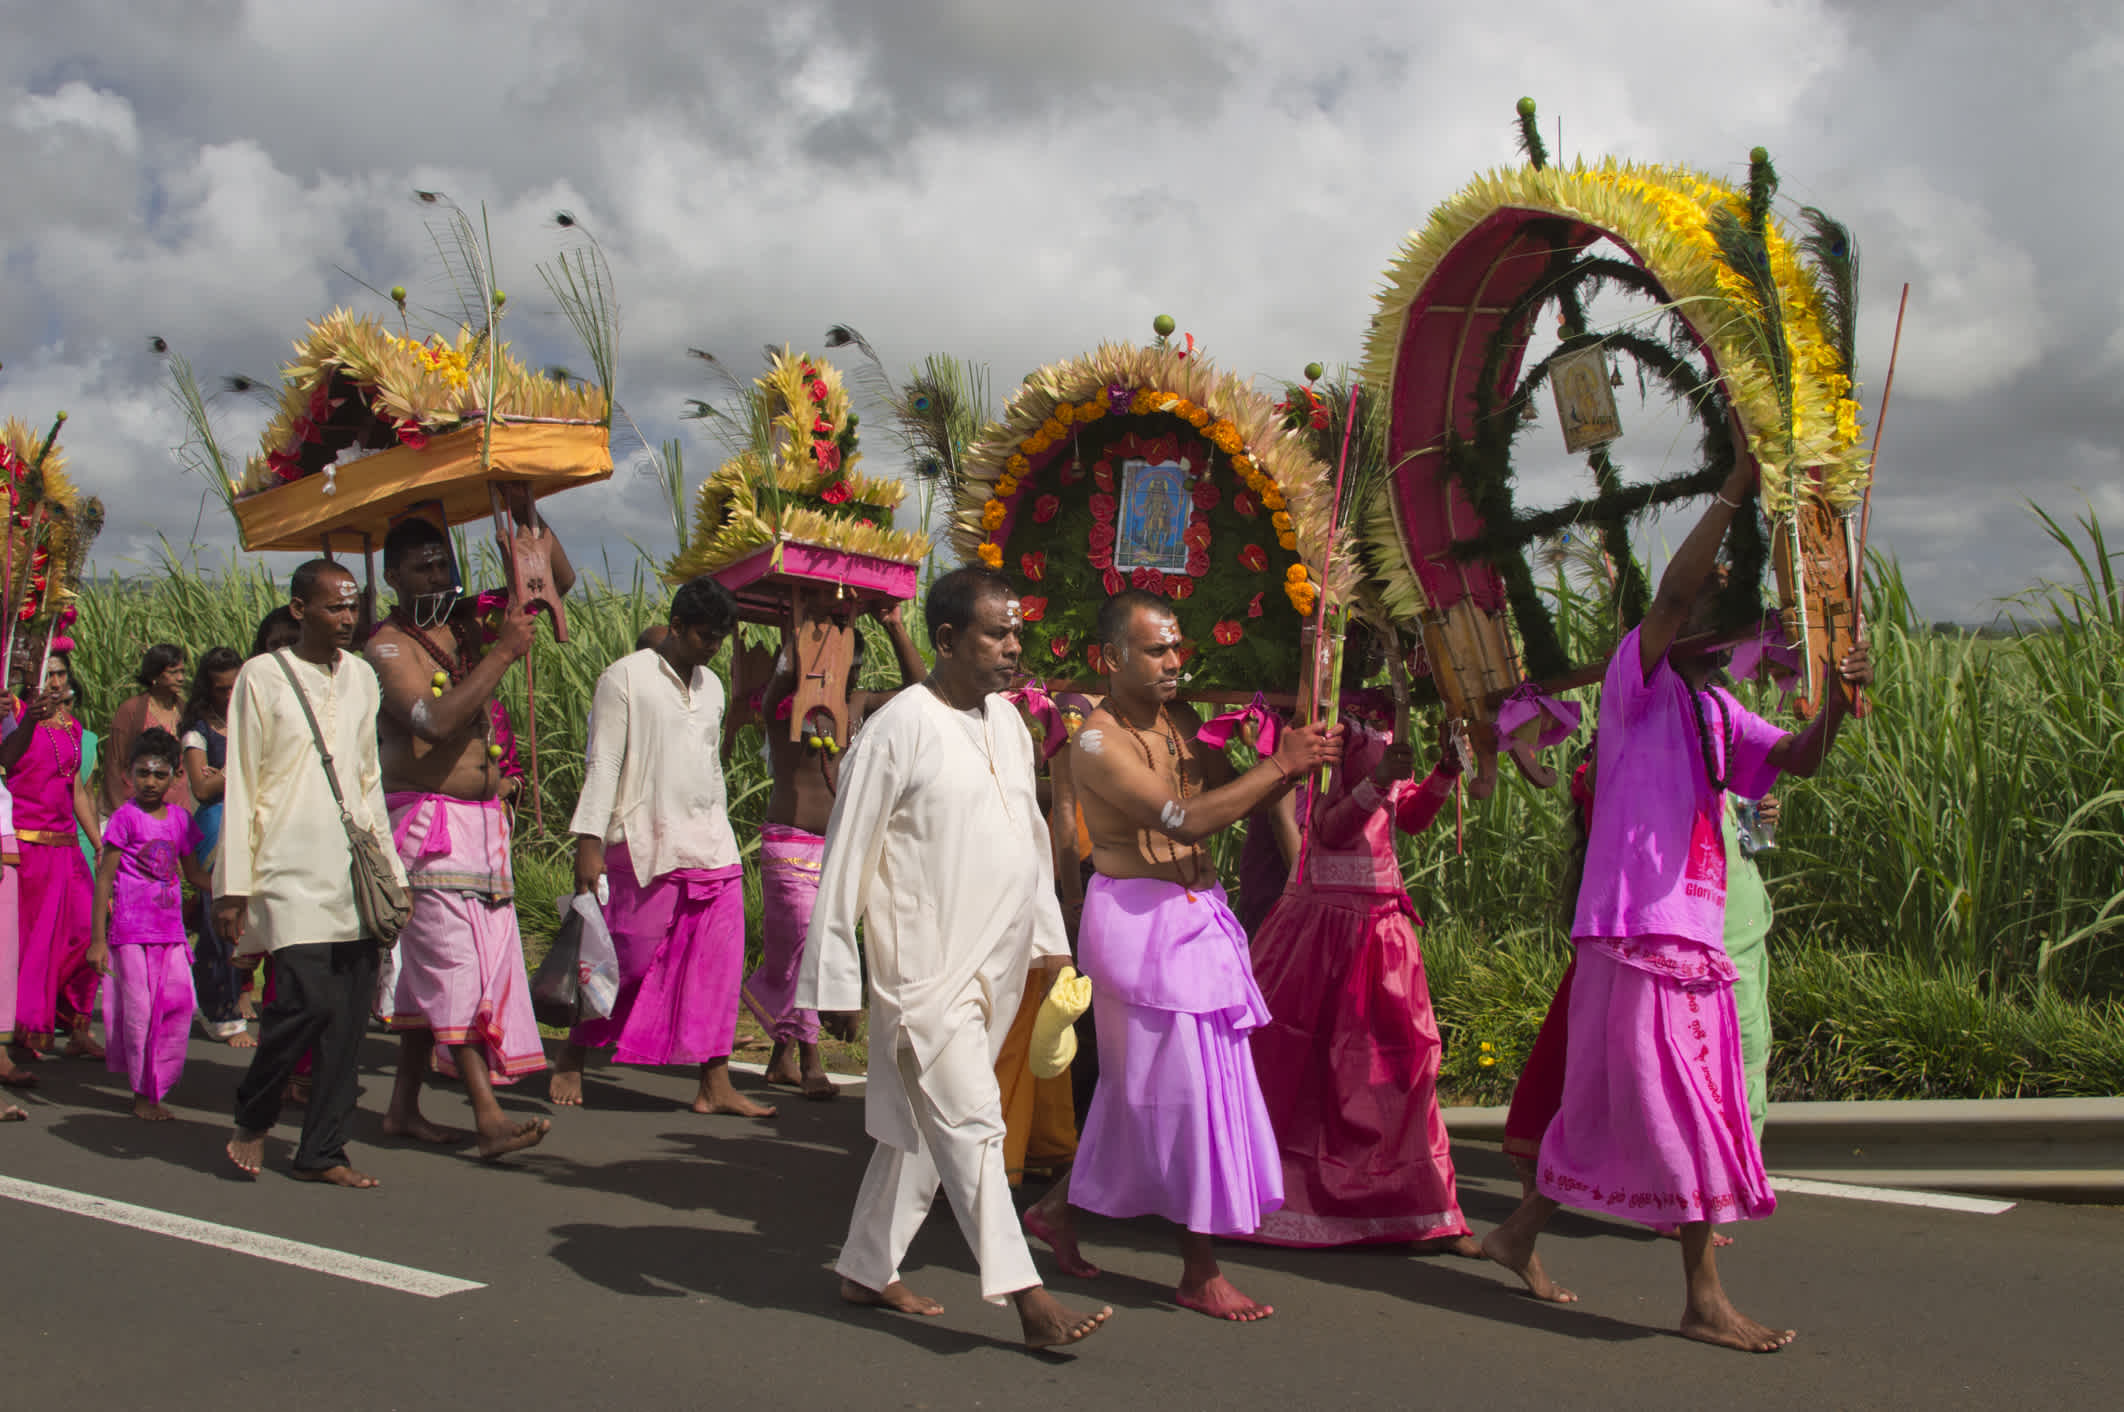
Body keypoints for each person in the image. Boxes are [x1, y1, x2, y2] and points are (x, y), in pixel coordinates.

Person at [1480, 458, 1873, 1353]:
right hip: (1633, 931)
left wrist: (1840, 708)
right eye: (1706, 603)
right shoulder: (1638, 679)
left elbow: (1799, 759)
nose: (1713, 614)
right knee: (1693, 1105)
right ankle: (1702, 1299)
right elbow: (1668, 597)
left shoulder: (1716, 709)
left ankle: (1515, 1234)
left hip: (1687, 935)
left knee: (1604, 1109)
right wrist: (1736, 484)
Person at [798, 566, 1110, 1349]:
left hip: (998, 961)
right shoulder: (897, 728)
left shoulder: (1008, 722)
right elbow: (847, 853)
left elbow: (1030, 843)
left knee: (924, 1125)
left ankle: (866, 1266)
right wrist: (834, 976)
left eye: (1018, 633)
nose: (1014, 647)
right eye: (997, 633)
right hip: (923, 968)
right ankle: (1026, 1294)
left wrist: (1048, 949)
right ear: (944, 639)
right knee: (971, 1119)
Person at [1038, 589, 1340, 1322]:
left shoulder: (1182, 721)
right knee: (1179, 1100)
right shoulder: (1094, 742)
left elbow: (1222, 795)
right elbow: (1188, 817)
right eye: (1156, 650)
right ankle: (1199, 1272)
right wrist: (1278, 769)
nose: (1175, 661)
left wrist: (1281, 741)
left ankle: (1056, 1211)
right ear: (1110, 659)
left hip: (1196, 919)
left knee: (1149, 1094)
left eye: (1177, 647)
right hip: (1138, 928)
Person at [1245, 712, 1480, 1252]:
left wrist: (1444, 770)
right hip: (1326, 922)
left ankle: (1423, 1207)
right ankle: (1283, 1200)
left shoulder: (1384, 722)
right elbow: (1326, 828)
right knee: (1310, 1069)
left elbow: (1412, 819)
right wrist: (1377, 783)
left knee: (1404, 1064)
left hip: (1383, 921)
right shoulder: (1324, 716)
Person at [366, 515, 558, 1159]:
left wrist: (527, 508)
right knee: (456, 968)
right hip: (428, 826)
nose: (438, 576)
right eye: (422, 567)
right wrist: (503, 651)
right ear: (393, 576)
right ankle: (486, 1114)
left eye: (443, 563)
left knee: (448, 967)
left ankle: (401, 1110)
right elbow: (432, 720)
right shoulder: (388, 646)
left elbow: (557, 582)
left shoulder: (468, 622)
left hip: (481, 829)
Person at [554, 576, 772, 1118]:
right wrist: (589, 840)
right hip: (642, 841)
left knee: (718, 966)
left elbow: (708, 766)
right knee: (626, 961)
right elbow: (602, 763)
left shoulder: (713, 687)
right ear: (675, 627)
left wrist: (723, 828)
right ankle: (575, 1049)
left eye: (720, 638)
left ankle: (714, 1083)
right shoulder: (623, 678)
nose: (712, 647)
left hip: (711, 846)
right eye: (704, 636)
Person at [219, 559, 406, 1188]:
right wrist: (234, 884)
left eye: (353, 606)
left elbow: (367, 780)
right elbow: (243, 781)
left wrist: (391, 870)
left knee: (348, 1020)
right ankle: (256, 1111)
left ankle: (322, 1149)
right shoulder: (262, 677)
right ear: (300, 610)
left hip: (351, 871)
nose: (349, 618)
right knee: (303, 1002)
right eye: (335, 607)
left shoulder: (360, 678)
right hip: (286, 866)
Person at [747, 599, 925, 1099]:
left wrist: (893, 626)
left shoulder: (861, 704)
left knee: (804, 951)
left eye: (843, 661)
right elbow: (783, 676)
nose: (833, 669)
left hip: (839, 850)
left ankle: (783, 1055)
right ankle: (809, 1057)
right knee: (805, 951)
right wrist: (807, 634)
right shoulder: (784, 701)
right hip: (789, 846)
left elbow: (921, 693)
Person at [89, 727, 207, 1121]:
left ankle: (160, 1082)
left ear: (176, 776)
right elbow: (104, 877)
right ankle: (143, 1094)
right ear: (129, 774)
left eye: (159, 774)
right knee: (140, 1014)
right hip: (129, 934)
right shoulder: (124, 819)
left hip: (171, 934)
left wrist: (234, 891)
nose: (150, 782)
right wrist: (97, 940)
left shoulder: (180, 819)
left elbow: (194, 874)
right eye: (143, 773)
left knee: (177, 1006)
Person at [1, 653, 103, 1061]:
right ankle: (26, 1026)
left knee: (86, 931)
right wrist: (23, 717)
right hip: (29, 846)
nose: (55, 680)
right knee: (34, 943)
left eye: (61, 673)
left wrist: (98, 845)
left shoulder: (72, 726)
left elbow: (76, 788)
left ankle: (72, 1021)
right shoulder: (14, 713)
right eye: (48, 673)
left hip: (67, 848)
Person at [181, 647, 252, 1046]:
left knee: (248, 918)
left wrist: (225, 774)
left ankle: (236, 994)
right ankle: (218, 1011)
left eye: (234, 686)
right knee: (218, 917)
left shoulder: (250, 720)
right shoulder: (199, 731)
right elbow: (202, 787)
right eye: (221, 689)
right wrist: (236, 771)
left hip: (250, 822)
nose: (229, 695)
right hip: (216, 828)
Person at [102, 644, 193, 818]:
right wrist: (119, 812)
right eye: (173, 672)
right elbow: (114, 763)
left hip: (178, 806)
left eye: (182, 672)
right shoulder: (132, 710)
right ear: (154, 675)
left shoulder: (184, 710)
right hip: (139, 805)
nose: (181, 678)